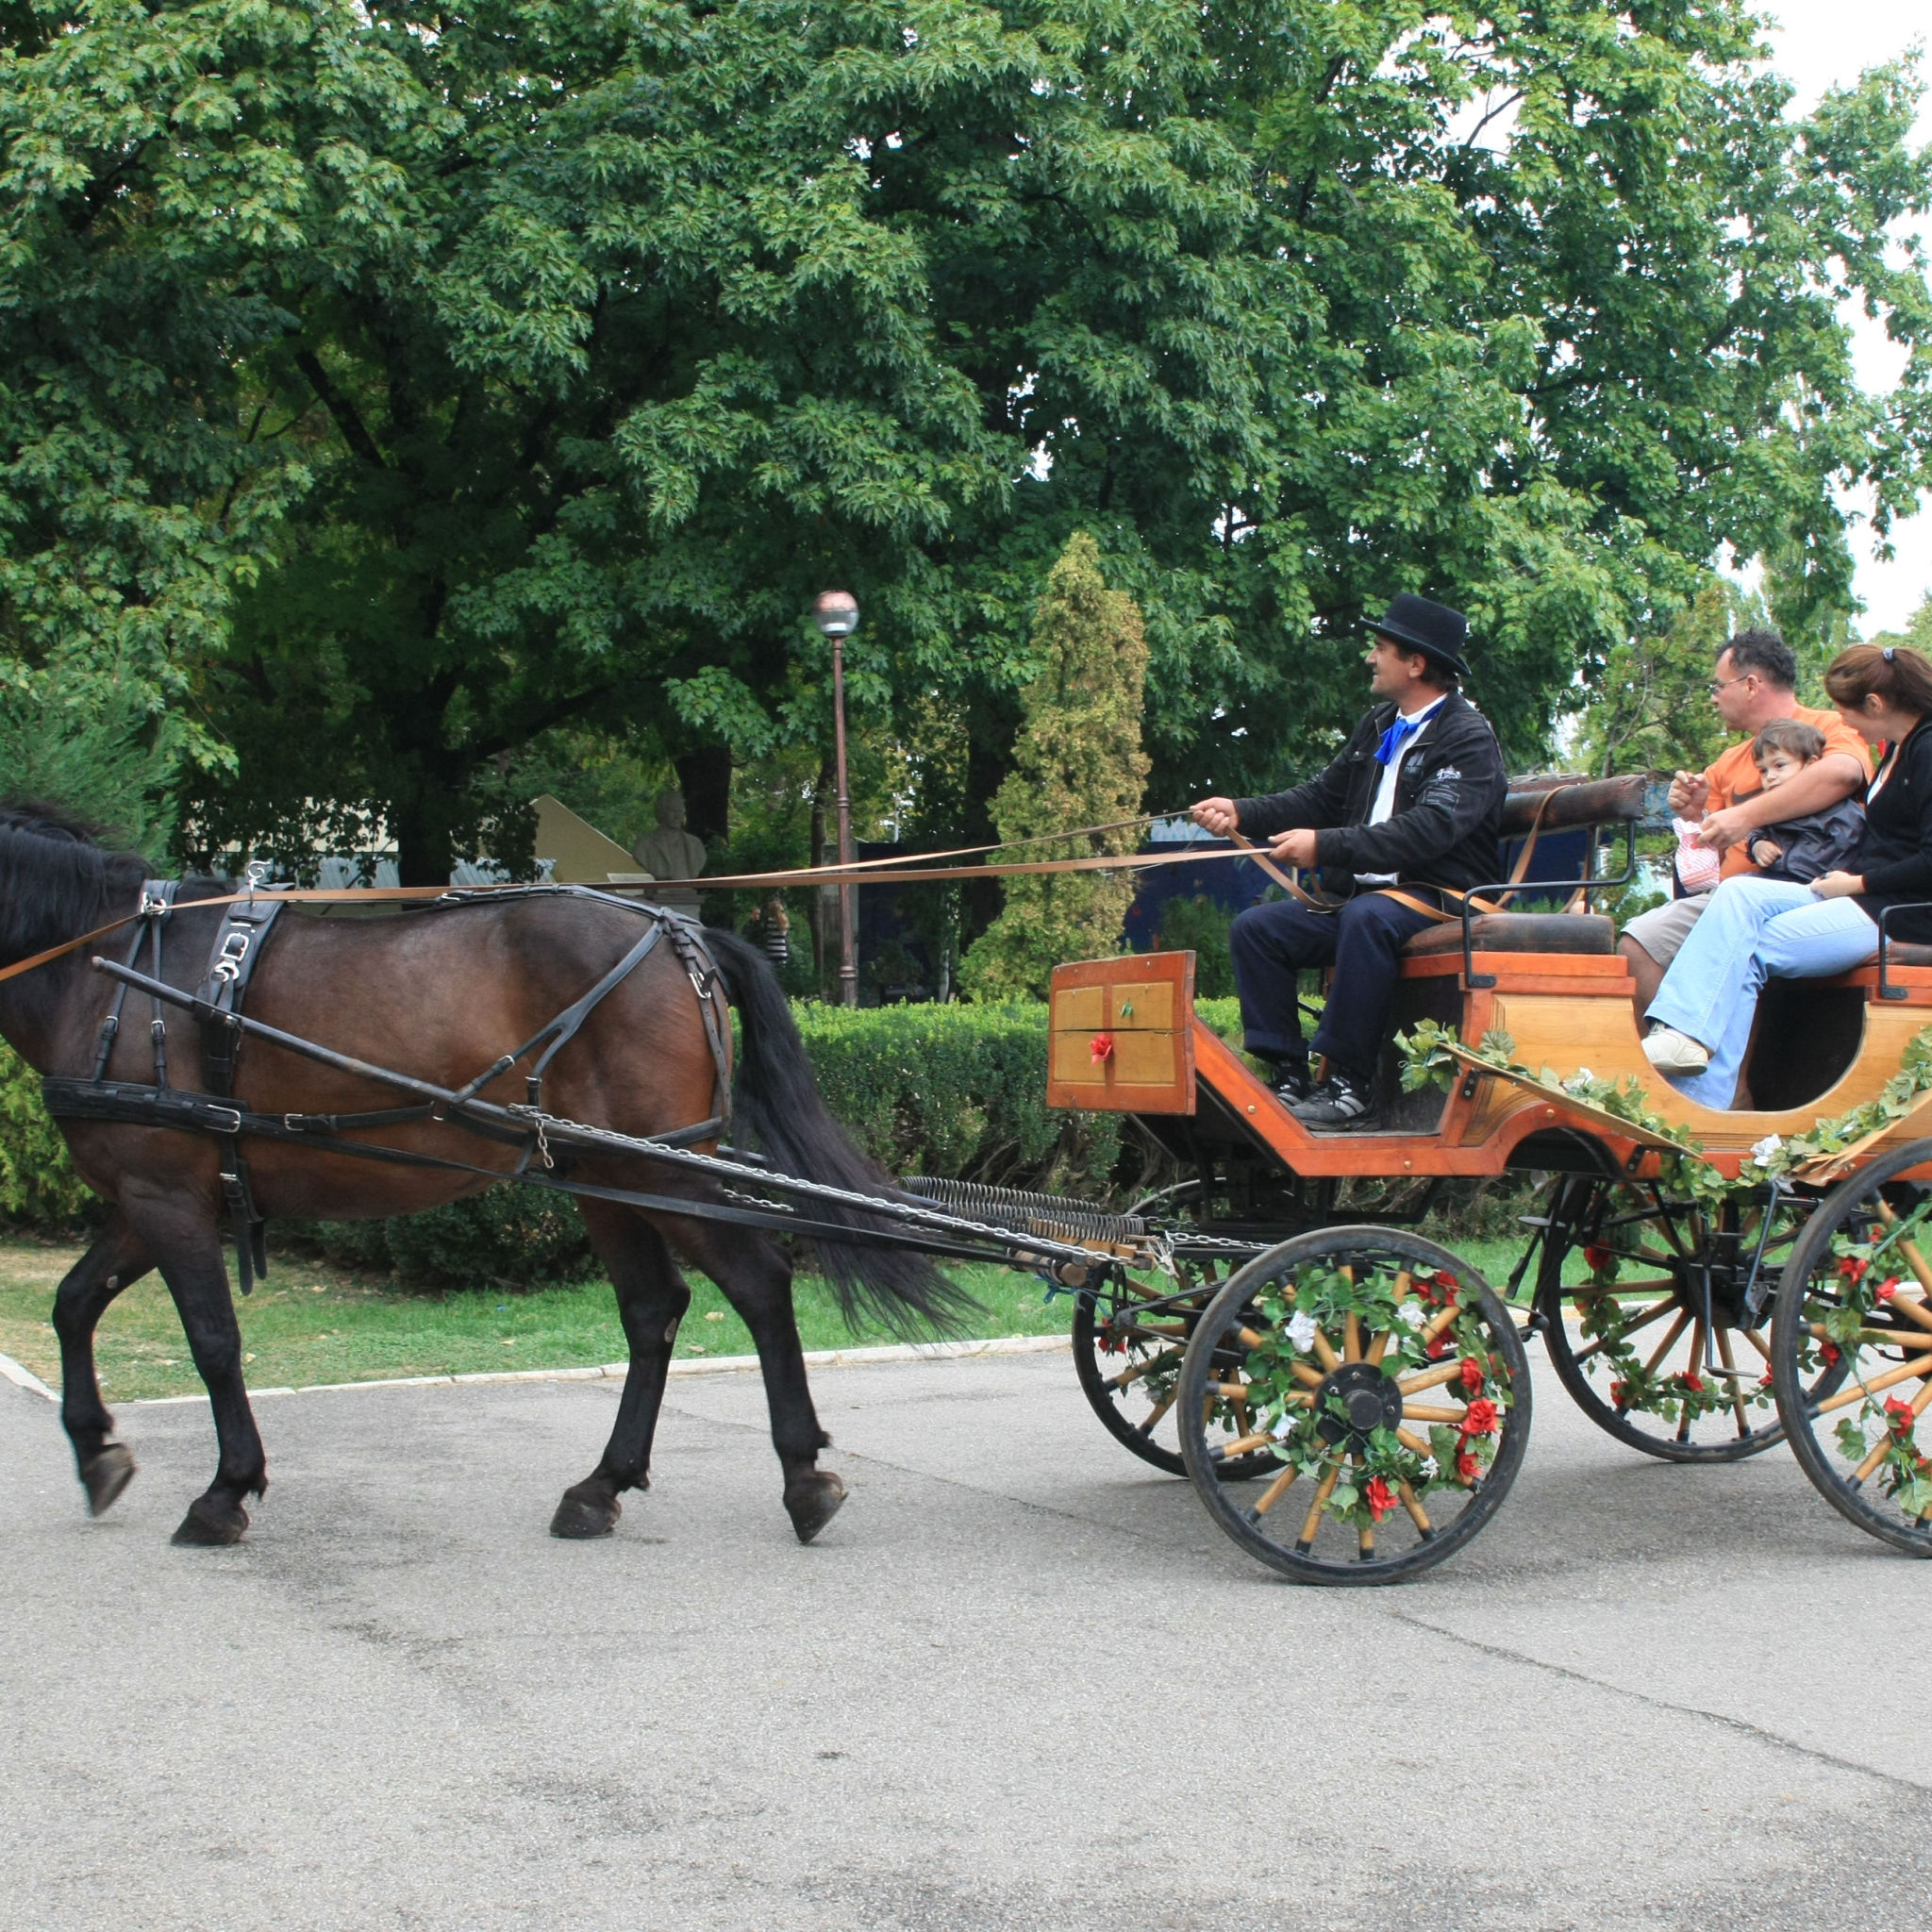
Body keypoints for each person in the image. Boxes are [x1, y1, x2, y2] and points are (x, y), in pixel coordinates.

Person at [1191, 594, 1506, 1129]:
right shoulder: (1380, 723)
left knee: (1367, 918)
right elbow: (1321, 797)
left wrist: (1326, 846)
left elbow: (1429, 830)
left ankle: (1350, 1086)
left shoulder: (1468, 738)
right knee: (1258, 930)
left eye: (1380, 648)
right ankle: (1288, 1078)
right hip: (1368, 901)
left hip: (1443, 896)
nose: (1369, 657)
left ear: (1416, 664)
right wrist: (1241, 811)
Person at [1641, 643, 1932, 1109]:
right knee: (1738, 894)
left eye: (1845, 710)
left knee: (1746, 949)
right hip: (1857, 895)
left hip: (1897, 913)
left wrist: (1858, 883)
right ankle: (1684, 1037)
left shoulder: (1927, 750)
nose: (1844, 722)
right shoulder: (1899, 748)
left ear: (1875, 704)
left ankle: (1707, 1099)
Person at [1619, 629, 1871, 1022]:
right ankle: (1673, 1053)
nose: (1713, 697)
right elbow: (1707, 863)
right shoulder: (1726, 763)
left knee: (1734, 937)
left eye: (1718, 686)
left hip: (1808, 890)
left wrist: (1746, 815)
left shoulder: (1831, 725)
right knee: (1640, 941)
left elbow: (1843, 774)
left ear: (1751, 685)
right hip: (1728, 898)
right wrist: (1695, 816)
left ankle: (1707, 1057)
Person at [1737, 719, 1865, 884]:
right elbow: (1758, 831)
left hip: (1819, 883)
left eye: (1779, 765)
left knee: (1736, 887)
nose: (1770, 776)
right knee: (1732, 884)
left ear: (1810, 765)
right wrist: (1758, 845)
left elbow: (1851, 847)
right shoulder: (1774, 810)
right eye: (1763, 770)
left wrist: (1830, 877)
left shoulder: (1839, 811)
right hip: (1777, 878)